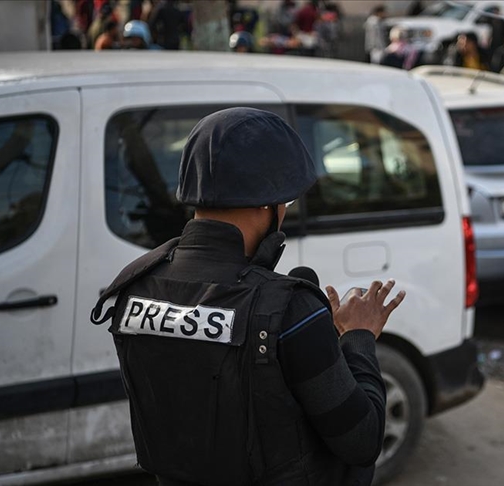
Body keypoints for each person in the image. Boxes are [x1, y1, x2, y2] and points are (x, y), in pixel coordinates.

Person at [90, 107, 406, 485]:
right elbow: (362, 441)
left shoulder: (136, 285)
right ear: (266, 203)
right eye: (286, 202)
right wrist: (358, 337)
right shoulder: (291, 310)